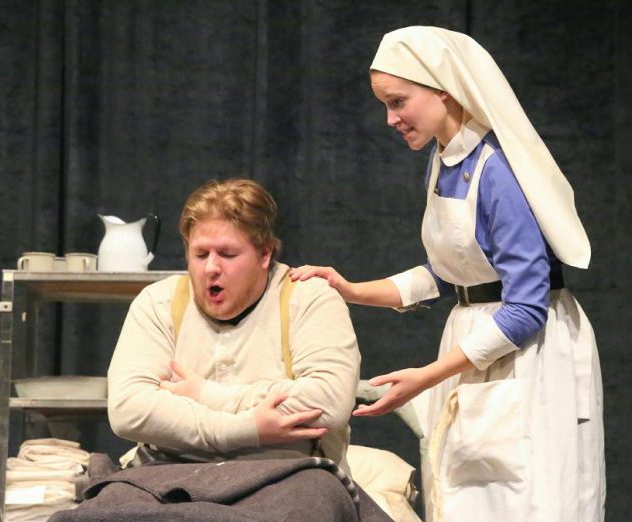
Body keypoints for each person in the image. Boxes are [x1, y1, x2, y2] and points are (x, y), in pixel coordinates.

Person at [290, 26, 605, 522]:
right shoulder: (444, 160)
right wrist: (349, 290)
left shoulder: (498, 171)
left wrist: (426, 378)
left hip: (528, 355)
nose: (391, 119)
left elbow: (526, 307)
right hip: (476, 340)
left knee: (527, 500)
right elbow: (447, 273)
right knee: (465, 495)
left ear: (443, 89)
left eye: (398, 102)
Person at [89, 178, 393, 521]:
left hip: (287, 473)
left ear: (265, 254)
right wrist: (250, 428)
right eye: (200, 254)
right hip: (166, 472)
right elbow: (129, 408)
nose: (211, 268)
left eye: (228, 254)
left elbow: (326, 403)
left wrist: (204, 393)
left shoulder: (309, 297)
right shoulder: (158, 302)